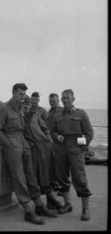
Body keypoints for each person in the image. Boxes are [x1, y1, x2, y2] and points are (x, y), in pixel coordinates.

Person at [0, 83, 56, 225]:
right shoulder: (4, 109)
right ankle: (28, 210)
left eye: (24, 94)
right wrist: (8, 145)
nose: (23, 97)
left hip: (24, 144)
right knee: (19, 178)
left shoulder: (20, 108)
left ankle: (39, 205)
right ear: (13, 93)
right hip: (12, 145)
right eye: (21, 94)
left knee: (31, 176)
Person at [50, 89, 94, 221]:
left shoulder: (81, 114)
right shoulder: (57, 115)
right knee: (62, 176)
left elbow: (89, 133)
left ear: (73, 99)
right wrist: (56, 136)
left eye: (67, 98)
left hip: (76, 151)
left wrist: (82, 148)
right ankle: (67, 204)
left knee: (79, 177)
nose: (65, 100)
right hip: (61, 150)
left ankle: (85, 209)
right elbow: (51, 130)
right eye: (63, 98)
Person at [22, 95, 62, 210]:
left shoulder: (36, 115)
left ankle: (50, 199)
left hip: (44, 147)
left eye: (29, 104)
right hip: (32, 150)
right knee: (35, 176)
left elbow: (45, 128)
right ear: (21, 105)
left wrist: (49, 139)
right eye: (25, 104)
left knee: (46, 174)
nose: (27, 106)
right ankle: (42, 202)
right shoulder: (18, 117)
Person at [47, 93, 63, 193]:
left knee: (62, 165)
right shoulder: (49, 113)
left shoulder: (62, 112)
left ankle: (63, 186)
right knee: (52, 164)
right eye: (50, 101)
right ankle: (54, 183)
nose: (52, 103)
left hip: (60, 141)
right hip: (51, 141)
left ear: (58, 101)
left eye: (54, 101)